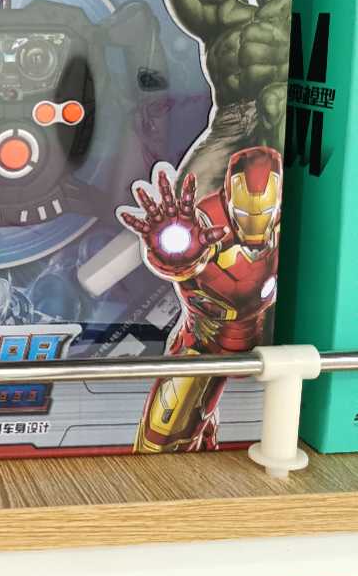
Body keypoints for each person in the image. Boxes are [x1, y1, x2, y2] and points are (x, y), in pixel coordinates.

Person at [120, 149, 281, 453]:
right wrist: (171, 251)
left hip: (269, 341)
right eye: (245, 214)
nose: (255, 227)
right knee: (160, 437)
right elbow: (180, 263)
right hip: (204, 340)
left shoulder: (291, 215)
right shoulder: (205, 222)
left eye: (265, 213)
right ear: (230, 198)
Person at [156, 0, 291, 191]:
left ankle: (290, 204)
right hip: (228, 120)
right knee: (187, 196)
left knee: (275, 100)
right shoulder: (226, 17)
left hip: (277, 114)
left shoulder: (299, 14)